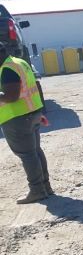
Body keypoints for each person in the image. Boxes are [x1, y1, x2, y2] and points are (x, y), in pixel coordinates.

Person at [0, 43, 52, 203]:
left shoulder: (7, 70)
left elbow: (11, 96)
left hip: (18, 118)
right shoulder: (18, 62)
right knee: (34, 151)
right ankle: (45, 187)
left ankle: (37, 190)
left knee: (28, 154)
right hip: (32, 113)